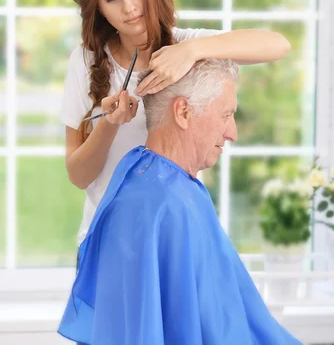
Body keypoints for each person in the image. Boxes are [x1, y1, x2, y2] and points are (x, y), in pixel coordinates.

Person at [58, 59, 303, 345]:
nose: (232, 133)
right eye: (226, 115)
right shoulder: (161, 204)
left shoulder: (152, 180)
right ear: (183, 111)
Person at [61, 0, 291, 246]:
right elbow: (78, 176)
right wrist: (109, 124)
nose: (129, 8)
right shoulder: (85, 61)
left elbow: (278, 45)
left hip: (177, 239)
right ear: (99, 8)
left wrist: (192, 51)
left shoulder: (188, 46)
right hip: (108, 242)